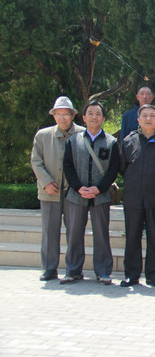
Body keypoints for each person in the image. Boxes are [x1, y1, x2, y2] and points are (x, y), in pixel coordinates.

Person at [61, 101, 119, 285]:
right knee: (74, 234)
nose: (94, 117)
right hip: (76, 196)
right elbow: (67, 166)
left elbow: (113, 169)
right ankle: (73, 271)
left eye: (98, 114)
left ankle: (103, 271)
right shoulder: (73, 141)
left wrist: (99, 188)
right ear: (84, 118)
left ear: (103, 118)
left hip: (100, 196)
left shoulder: (111, 142)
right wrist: (78, 187)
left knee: (101, 234)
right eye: (91, 113)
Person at [120, 104, 155, 287]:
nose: (148, 118)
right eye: (144, 115)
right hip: (133, 197)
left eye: (152, 115)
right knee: (132, 236)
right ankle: (132, 274)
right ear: (138, 120)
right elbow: (122, 167)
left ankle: (153, 274)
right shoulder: (129, 140)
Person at [31, 96, 85, 281]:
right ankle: (49, 268)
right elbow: (36, 161)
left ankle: (74, 269)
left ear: (73, 115)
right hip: (49, 191)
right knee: (49, 231)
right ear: (53, 115)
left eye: (66, 114)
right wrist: (46, 181)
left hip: (74, 192)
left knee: (75, 231)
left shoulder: (83, 134)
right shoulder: (43, 135)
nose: (62, 117)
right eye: (58, 114)